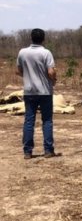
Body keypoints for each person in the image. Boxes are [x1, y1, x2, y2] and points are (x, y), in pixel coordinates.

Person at [16, 28, 57, 159]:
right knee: (47, 120)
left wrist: (28, 76)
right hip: (45, 91)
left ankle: (27, 151)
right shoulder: (46, 53)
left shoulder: (22, 52)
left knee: (29, 121)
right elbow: (50, 72)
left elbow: (18, 70)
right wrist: (54, 80)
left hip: (29, 91)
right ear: (43, 39)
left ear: (31, 38)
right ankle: (48, 150)